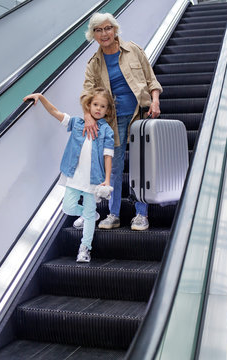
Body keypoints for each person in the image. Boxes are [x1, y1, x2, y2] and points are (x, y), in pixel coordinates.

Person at [73, 12, 162, 231]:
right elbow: (86, 93)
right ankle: (113, 214)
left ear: (114, 30)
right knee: (113, 167)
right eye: (98, 30)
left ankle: (141, 214)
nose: (104, 34)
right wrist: (87, 116)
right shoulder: (94, 63)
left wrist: (155, 101)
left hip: (140, 113)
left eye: (107, 28)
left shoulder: (133, 50)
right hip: (113, 120)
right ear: (93, 35)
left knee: (141, 164)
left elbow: (151, 79)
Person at [23, 88, 115, 262]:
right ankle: (92, 215)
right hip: (74, 176)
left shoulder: (106, 131)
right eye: (95, 104)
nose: (98, 109)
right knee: (68, 207)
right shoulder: (77, 123)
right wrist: (41, 97)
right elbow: (55, 112)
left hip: (93, 180)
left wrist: (107, 180)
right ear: (89, 105)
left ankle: (85, 248)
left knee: (87, 215)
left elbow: (108, 156)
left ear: (107, 110)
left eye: (102, 106)